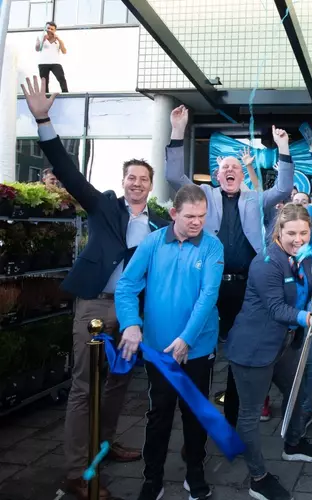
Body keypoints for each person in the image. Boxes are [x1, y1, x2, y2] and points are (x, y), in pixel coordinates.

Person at [20, 75, 166, 500]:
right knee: (85, 386)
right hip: (95, 307)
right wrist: (43, 119)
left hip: (131, 314)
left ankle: (103, 445)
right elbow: (66, 171)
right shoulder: (103, 206)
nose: (137, 183)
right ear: (124, 182)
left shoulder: (156, 225)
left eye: (143, 179)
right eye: (132, 177)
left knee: (119, 382)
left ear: (151, 186)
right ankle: (75, 472)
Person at [166, 106, 294, 428]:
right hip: (209, 284)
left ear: (240, 175)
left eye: (235, 166)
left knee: (240, 348)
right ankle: (197, 414)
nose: (231, 170)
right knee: (203, 348)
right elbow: (172, 177)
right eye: (225, 167)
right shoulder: (204, 195)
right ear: (217, 175)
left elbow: (282, 189)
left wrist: (283, 149)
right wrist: (178, 131)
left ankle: (236, 417)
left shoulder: (254, 199)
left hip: (245, 285)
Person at [115, 184, 224, 500]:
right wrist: (131, 324)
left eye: (202, 216)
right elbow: (126, 287)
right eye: (190, 216)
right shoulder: (151, 243)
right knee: (159, 414)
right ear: (174, 213)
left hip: (198, 349)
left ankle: (195, 474)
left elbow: (208, 296)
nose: (197, 222)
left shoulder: (212, 247)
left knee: (195, 414)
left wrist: (186, 339)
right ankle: (152, 479)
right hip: (158, 349)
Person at [226, 203, 312, 500]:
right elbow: (275, 307)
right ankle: (257, 478)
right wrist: (308, 319)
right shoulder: (266, 262)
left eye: (304, 233)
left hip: (283, 346)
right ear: (278, 232)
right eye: (292, 233)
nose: (298, 239)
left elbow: (309, 294)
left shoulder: (306, 256)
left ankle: (293, 444)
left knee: (296, 393)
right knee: (249, 415)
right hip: (252, 349)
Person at [35, 22, 68, 93]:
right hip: (43, 63)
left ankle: (65, 93)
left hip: (55, 62)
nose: (50, 30)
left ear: (55, 30)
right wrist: (43, 40)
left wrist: (58, 39)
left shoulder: (58, 40)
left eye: (52, 29)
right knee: (44, 82)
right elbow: (37, 49)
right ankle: (45, 96)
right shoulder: (41, 37)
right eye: (48, 28)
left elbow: (64, 51)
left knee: (61, 78)